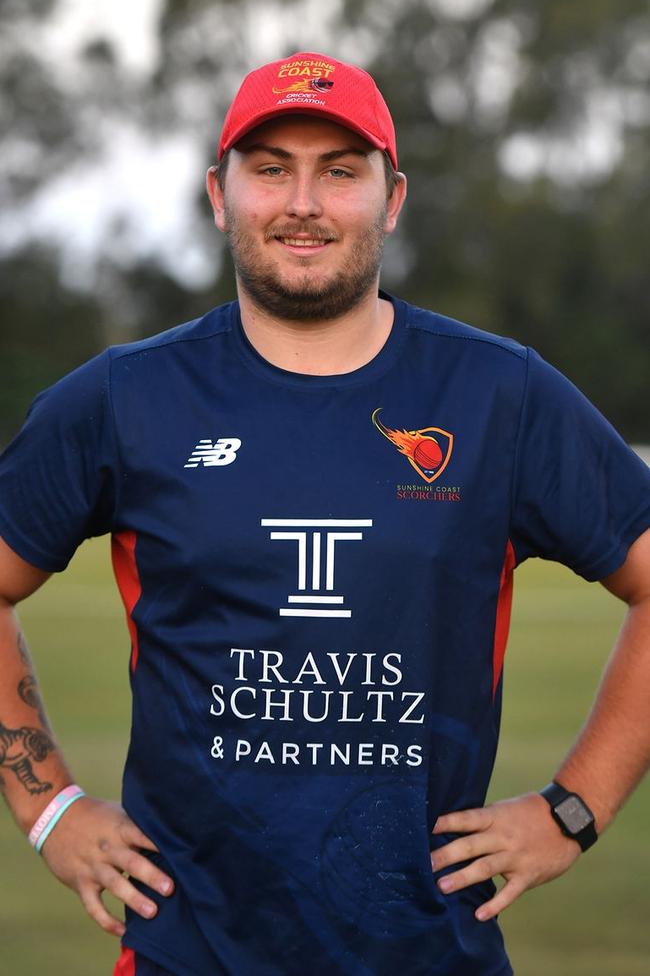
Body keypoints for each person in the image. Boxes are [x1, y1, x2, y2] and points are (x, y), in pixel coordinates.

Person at [0, 51, 649, 976]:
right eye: (270, 168)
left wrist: (573, 809)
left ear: (392, 200)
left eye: (340, 171)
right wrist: (50, 806)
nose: (302, 202)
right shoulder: (123, 399)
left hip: (431, 956)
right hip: (191, 955)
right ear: (220, 196)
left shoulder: (499, 395)